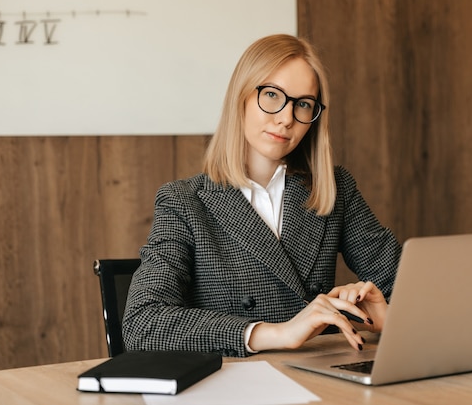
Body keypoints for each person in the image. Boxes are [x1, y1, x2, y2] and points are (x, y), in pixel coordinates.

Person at [122, 34, 401, 357]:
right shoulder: (183, 201)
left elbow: (409, 289)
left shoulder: (334, 189)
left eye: (304, 104)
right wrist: (277, 333)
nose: (286, 118)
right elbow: (143, 323)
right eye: (272, 95)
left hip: (319, 378)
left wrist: (386, 316)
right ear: (241, 96)